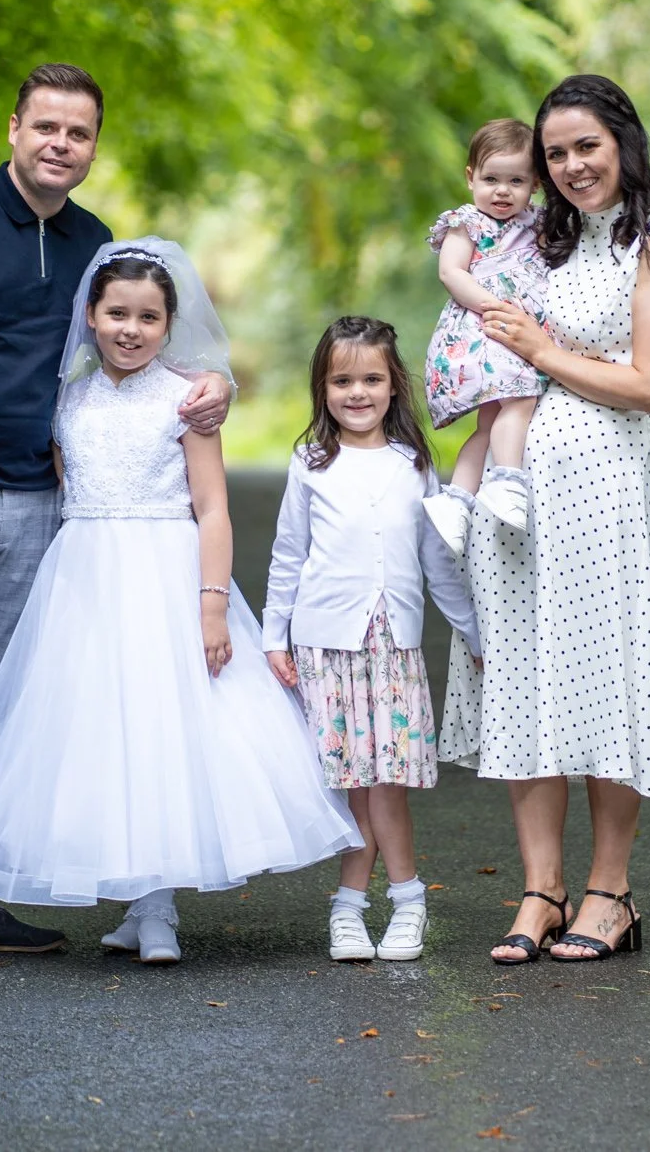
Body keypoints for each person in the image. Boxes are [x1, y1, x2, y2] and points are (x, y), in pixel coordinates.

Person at [0, 64, 233, 978]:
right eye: (47, 127)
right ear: (15, 127)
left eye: (79, 133)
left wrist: (216, 383)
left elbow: (135, 348)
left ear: (93, 148)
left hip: (36, 502)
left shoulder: (94, 245)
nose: (61, 144)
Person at [0, 244, 360, 966]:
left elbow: (212, 509)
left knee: (162, 727)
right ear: (90, 316)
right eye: (117, 313)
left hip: (165, 572)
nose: (131, 329)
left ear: (168, 324)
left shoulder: (187, 399)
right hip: (84, 578)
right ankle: (137, 901)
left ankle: (158, 913)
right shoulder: (68, 398)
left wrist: (211, 606)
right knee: (101, 733)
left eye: (149, 317)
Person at [437, 74, 650, 966]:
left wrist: (545, 351)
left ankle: (609, 891)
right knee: (523, 679)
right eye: (556, 153)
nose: (573, 165)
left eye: (587, 145)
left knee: (603, 678)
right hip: (514, 502)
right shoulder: (533, 238)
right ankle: (541, 888)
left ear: (623, 140)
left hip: (602, 494)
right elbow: (470, 314)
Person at [263, 317, 484, 963]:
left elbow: (437, 561)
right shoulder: (311, 464)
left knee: (387, 783)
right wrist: (274, 635)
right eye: (342, 381)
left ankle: (407, 901)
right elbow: (288, 554)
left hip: (393, 648)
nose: (356, 392)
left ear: (393, 387)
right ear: (323, 388)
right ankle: (349, 909)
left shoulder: (414, 465)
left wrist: (474, 630)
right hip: (326, 646)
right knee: (352, 783)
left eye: (371, 379)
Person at [419, 119, 548, 554]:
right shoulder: (467, 222)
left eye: (517, 181)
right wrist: (495, 307)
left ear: (535, 185)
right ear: (471, 177)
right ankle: (508, 481)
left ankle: (457, 498)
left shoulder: (536, 223)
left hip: (509, 333)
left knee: (491, 422)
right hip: (482, 330)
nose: (502, 191)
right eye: (491, 179)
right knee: (522, 398)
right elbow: (451, 272)